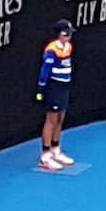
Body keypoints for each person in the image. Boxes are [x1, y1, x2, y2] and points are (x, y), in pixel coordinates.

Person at [35, 19, 76, 171]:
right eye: (67, 34)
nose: (69, 37)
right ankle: (45, 156)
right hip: (53, 87)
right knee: (51, 120)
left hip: (64, 86)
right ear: (60, 34)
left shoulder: (69, 47)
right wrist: (41, 89)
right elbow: (45, 70)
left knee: (60, 119)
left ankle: (55, 149)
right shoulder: (52, 50)